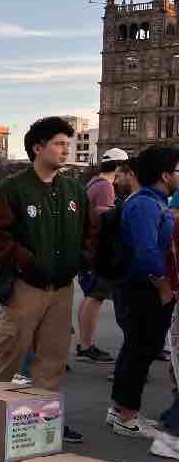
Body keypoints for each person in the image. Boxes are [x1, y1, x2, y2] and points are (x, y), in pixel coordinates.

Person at [0, 116, 93, 444]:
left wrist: (81, 259)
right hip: (25, 285)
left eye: (67, 144)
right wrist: (27, 261)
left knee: (53, 359)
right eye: (58, 143)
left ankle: (45, 418)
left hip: (61, 288)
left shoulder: (73, 189)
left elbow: (91, 231)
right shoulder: (13, 189)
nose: (65, 149)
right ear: (37, 148)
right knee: (9, 351)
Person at [110, 145, 179, 438]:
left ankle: (121, 410)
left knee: (137, 349)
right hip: (143, 289)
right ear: (165, 175)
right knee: (141, 349)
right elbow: (147, 251)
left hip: (143, 287)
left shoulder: (154, 201)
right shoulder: (146, 204)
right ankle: (126, 416)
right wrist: (164, 287)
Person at [73, 149, 129, 365]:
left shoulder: (94, 183)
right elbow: (104, 215)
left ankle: (83, 343)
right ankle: (86, 345)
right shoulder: (106, 186)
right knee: (95, 296)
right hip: (97, 250)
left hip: (88, 248)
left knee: (91, 295)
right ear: (118, 166)